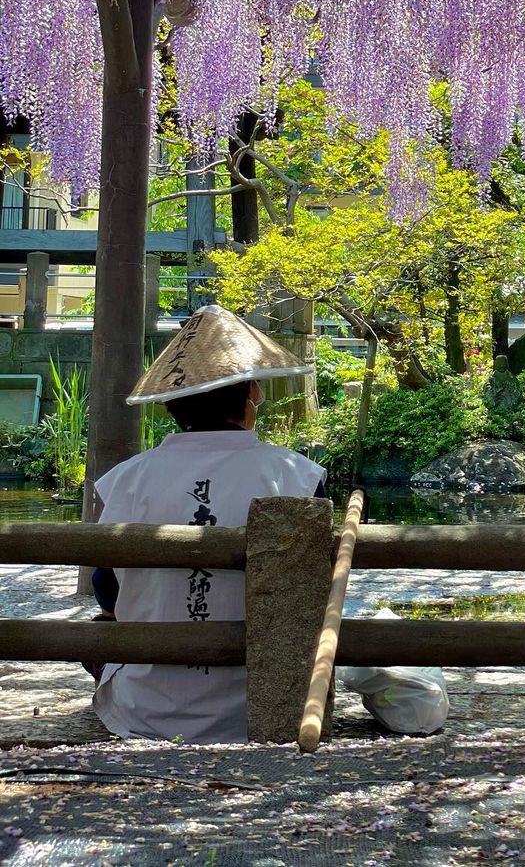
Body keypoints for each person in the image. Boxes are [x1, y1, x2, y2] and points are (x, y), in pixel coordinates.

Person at [91, 304, 448, 741]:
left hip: (142, 708)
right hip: (264, 700)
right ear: (250, 396)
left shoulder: (127, 479)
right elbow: (314, 586)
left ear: (172, 406)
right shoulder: (293, 474)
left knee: (105, 622)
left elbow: (106, 587)